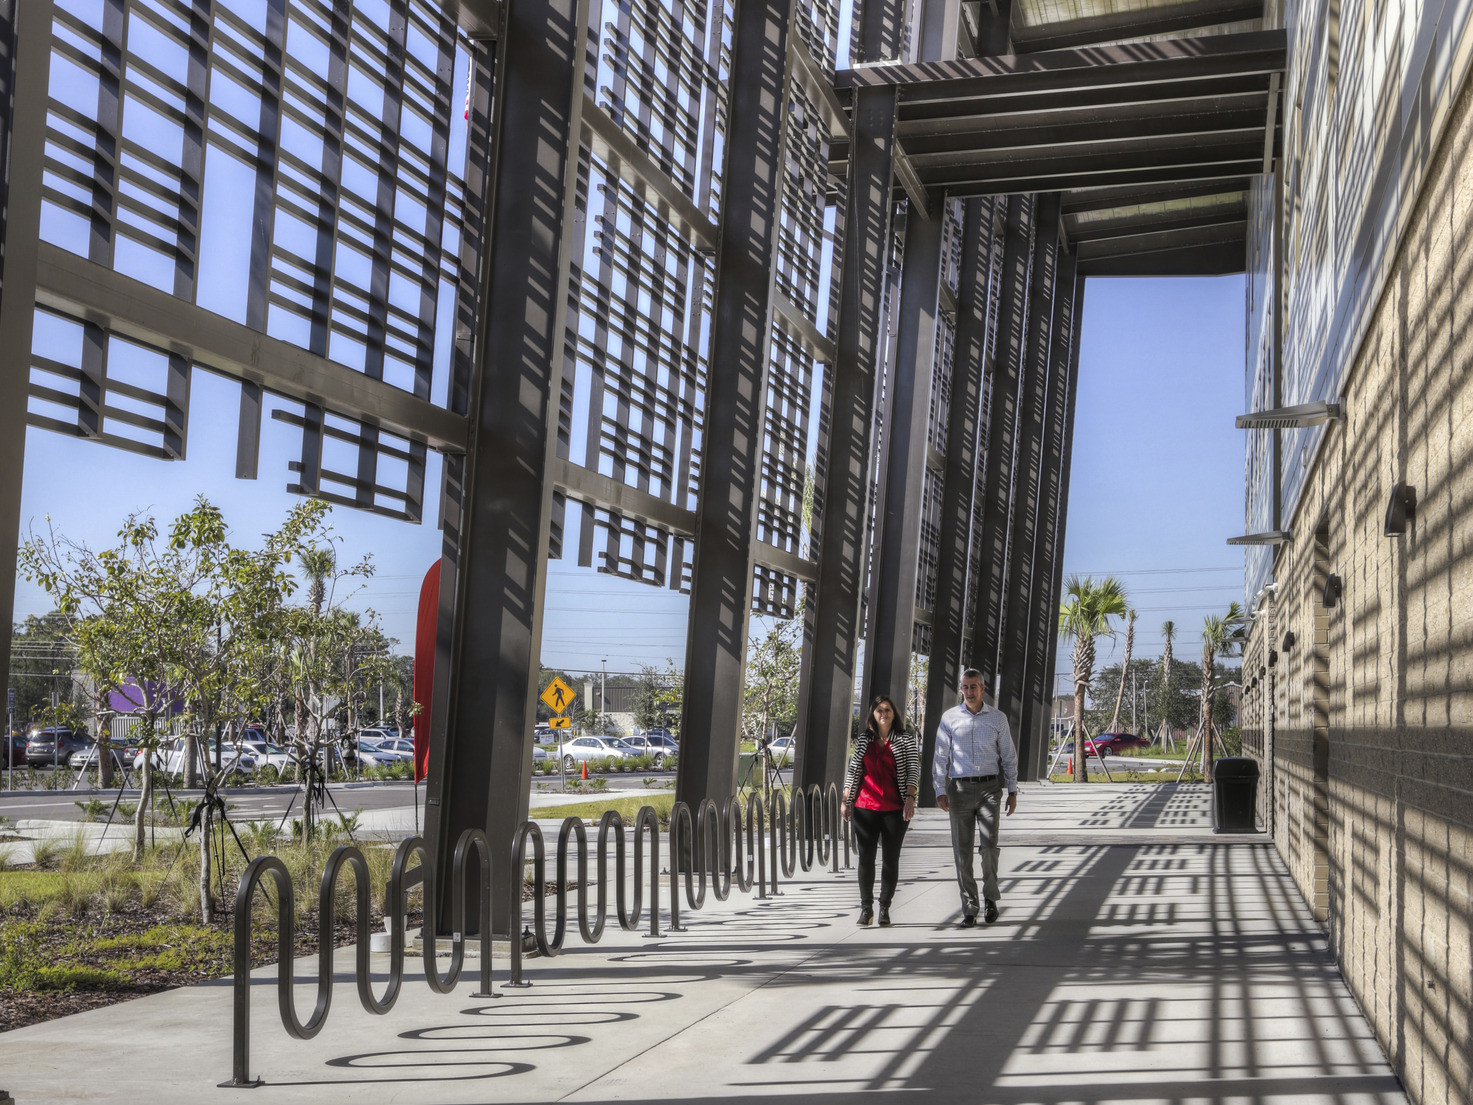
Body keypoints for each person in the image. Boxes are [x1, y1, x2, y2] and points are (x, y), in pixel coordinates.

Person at [932, 668, 1018, 926]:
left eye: (974, 687)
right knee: (962, 851)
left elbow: (1009, 755)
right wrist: (939, 789)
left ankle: (990, 899)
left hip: (989, 789)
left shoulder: (997, 718)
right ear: (961, 689)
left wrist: (1012, 790)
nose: (969, 692)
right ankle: (970, 907)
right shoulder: (949, 718)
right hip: (959, 790)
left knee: (989, 847)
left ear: (983, 688)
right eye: (965, 687)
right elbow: (940, 757)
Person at [842, 694, 919, 927]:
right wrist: (846, 799)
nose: (883, 714)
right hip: (865, 806)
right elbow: (854, 769)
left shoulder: (905, 739)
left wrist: (910, 799)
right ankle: (867, 909)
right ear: (873, 715)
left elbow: (913, 769)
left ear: (894, 713)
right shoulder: (865, 739)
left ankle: (884, 906)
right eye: (879, 711)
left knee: (890, 859)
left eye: (887, 710)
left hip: (895, 808)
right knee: (866, 858)